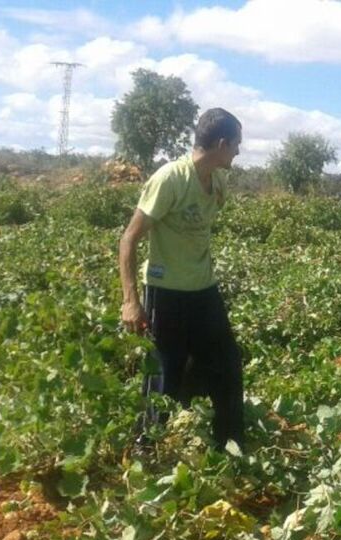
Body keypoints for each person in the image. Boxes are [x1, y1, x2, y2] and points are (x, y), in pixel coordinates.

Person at [118, 108, 245, 448]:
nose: (237, 152)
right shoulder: (169, 179)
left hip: (204, 290)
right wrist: (131, 301)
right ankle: (147, 450)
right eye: (236, 145)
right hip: (167, 292)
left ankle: (230, 446)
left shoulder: (218, 180)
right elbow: (128, 239)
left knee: (226, 366)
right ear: (221, 143)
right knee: (163, 375)